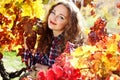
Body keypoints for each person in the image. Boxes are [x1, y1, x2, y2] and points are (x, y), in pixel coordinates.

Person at [20, 0, 86, 79]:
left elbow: (70, 76)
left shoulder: (70, 46)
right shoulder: (47, 38)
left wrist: (49, 70)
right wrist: (27, 46)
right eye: (53, 12)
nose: (54, 18)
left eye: (61, 17)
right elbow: (34, 67)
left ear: (69, 24)